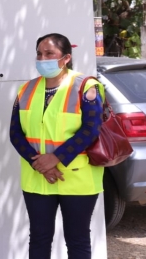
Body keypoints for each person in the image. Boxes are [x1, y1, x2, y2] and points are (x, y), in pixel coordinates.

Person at [9, 33, 104, 259]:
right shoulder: (26, 89)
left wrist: (55, 158)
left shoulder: (86, 86)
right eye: (39, 54)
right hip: (38, 179)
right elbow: (15, 133)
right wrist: (40, 165)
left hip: (77, 178)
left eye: (49, 53)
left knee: (77, 239)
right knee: (39, 238)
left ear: (66, 58)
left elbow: (90, 130)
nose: (43, 58)